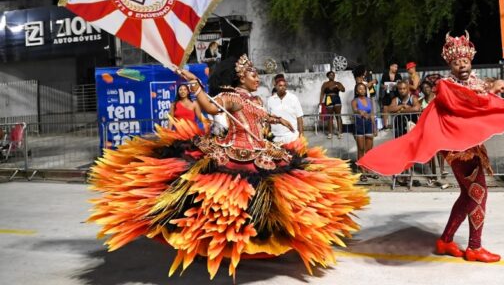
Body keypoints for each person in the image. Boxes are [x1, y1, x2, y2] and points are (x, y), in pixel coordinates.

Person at [87, 55, 368, 280]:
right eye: (253, 74)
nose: (257, 77)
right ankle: (213, 244)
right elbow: (210, 108)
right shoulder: (231, 97)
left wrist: (278, 121)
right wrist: (195, 85)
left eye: (257, 74)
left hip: (261, 152)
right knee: (220, 203)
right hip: (234, 154)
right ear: (240, 77)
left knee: (274, 200)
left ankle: (259, 243)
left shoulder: (255, 99)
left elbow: (261, 116)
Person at [358, 32, 504, 263]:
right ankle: (474, 247)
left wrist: (503, 91)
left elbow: (482, 98)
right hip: (458, 149)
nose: (462, 65)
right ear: (450, 65)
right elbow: (468, 103)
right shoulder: (446, 86)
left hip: (472, 145)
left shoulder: (476, 82)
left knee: (468, 195)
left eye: (465, 61)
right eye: (456, 62)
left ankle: (445, 240)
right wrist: (492, 92)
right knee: (478, 193)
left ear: (470, 61)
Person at [266, 76, 304, 143]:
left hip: (292, 137)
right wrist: (267, 134)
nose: (283, 87)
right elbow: (268, 118)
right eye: (280, 85)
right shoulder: (270, 100)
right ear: (275, 86)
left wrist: (301, 135)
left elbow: (299, 118)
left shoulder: (293, 98)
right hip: (275, 137)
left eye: (284, 85)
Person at [352, 83, 377, 172]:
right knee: (361, 148)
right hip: (359, 124)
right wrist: (359, 111)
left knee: (369, 149)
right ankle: (362, 169)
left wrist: (375, 127)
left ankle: (368, 167)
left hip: (369, 124)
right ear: (356, 91)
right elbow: (354, 109)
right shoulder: (355, 101)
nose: (362, 90)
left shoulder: (369, 100)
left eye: (363, 89)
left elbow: (373, 114)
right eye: (360, 89)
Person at [319, 71, 345, 139]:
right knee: (329, 117)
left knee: (338, 116)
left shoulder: (337, 83)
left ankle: (340, 132)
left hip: (336, 99)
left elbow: (343, 90)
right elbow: (322, 93)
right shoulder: (325, 84)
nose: (332, 76)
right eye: (330, 75)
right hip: (328, 99)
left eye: (333, 75)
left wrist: (339, 87)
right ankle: (330, 133)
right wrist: (320, 102)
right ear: (328, 76)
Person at [380, 62, 402, 130]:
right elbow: (381, 85)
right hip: (387, 94)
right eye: (395, 67)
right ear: (390, 67)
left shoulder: (398, 75)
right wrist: (384, 86)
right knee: (385, 108)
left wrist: (396, 85)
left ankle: (397, 125)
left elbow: (401, 84)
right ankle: (385, 125)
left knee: (396, 109)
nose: (396, 68)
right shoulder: (385, 75)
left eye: (397, 67)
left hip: (396, 95)